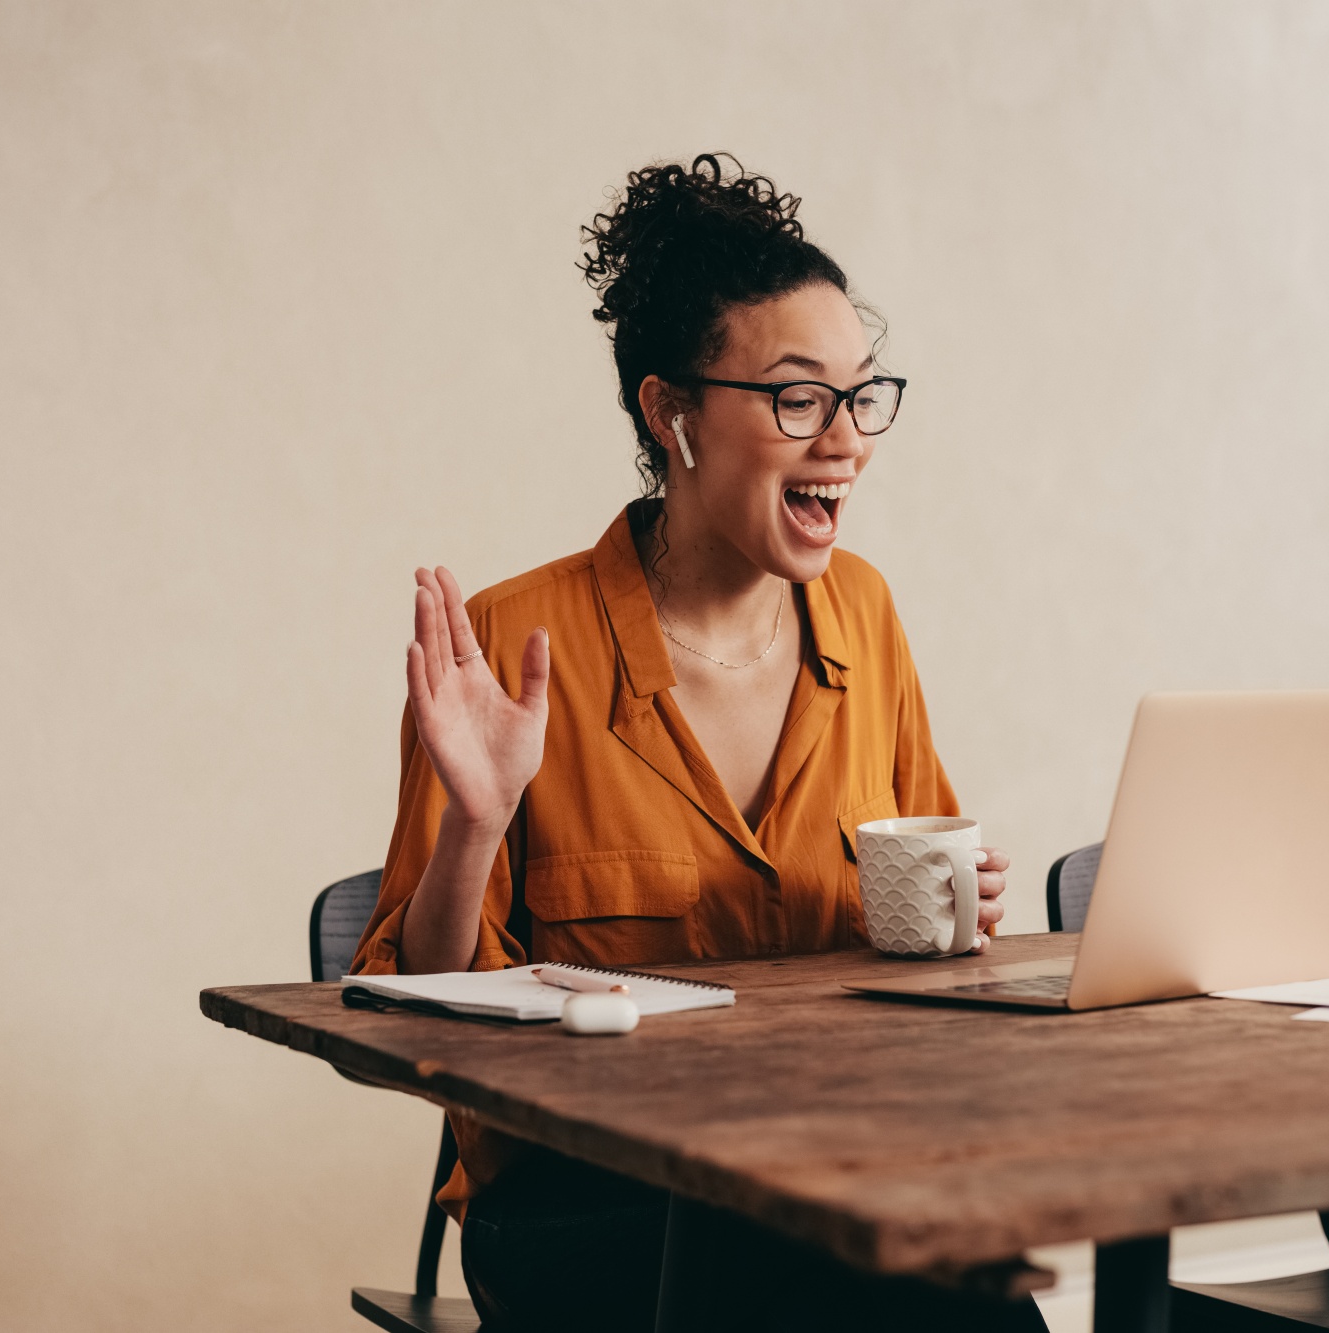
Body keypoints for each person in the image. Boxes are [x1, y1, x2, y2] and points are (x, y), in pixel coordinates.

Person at [350, 154, 1037, 1333]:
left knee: (924, 1261)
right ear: (669, 413)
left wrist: (952, 916)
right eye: (795, 397)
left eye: (860, 395)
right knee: (872, 1277)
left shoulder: (864, 614)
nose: (846, 440)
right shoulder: (512, 644)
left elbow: (935, 945)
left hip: (832, 1168)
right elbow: (412, 1022)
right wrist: (474, 823)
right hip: (587, 1207)